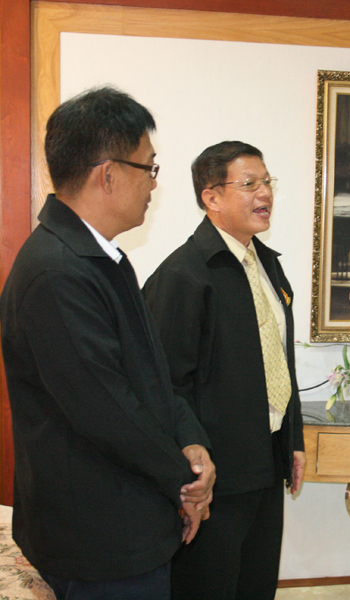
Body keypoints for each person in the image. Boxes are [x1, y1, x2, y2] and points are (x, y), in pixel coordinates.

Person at [0, 87, 215, 600]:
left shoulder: (102, 258)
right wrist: (185, 481)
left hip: (125, 520)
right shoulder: (56, 273)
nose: (154, 183)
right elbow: (107, 412)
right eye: (149, 167)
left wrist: (192, 440)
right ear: (109, 174)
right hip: (96, 538)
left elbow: (152, 374)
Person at [142, 141, 306, 600]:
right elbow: (165, 388)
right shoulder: (184, 276)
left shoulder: (267, 265)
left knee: (256, 588)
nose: (264, 193)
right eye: (249, 184)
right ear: (211, 197)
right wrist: (192, 474)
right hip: (216, 479)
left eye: (267, 182)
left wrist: (293, 440)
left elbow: (280, 360)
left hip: (266, 464)